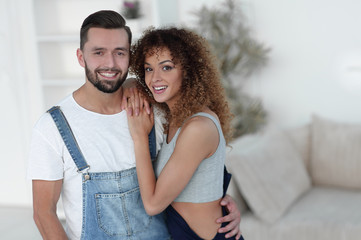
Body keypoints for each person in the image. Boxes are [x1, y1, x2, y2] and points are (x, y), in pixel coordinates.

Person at [27, 10, 241, 240]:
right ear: (81, 57)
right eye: (99, 52)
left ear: (129, 58)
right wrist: (132, 83)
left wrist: (220, 200)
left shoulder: (155, 111)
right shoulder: (52, 128)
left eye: (119, 53)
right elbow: (43, 213)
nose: (110, 63)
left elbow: (197, 172)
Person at [126, 27, 244, 240]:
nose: (155, 78)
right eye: (149, 69)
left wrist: (139, 137)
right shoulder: (175, 116)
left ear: (188, 70)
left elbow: (153, 204)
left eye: (167, 67)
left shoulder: (198, 127)